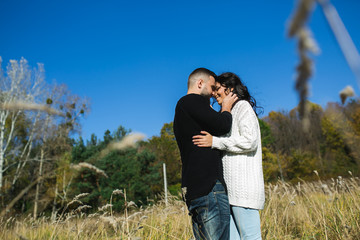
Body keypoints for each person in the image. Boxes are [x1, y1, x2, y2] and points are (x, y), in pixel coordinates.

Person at [192, 72, 265, 240]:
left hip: (244, 191)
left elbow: (250, 141)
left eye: (217, 89)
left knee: (250, 237)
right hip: (228, 193)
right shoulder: (229, 114)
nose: (214, 93)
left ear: (230, 89)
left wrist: (215, 142)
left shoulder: (243, 107)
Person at [173, 68, 238, 239]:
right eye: (212, 87)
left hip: (195, 188)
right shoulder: (191, 101)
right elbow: (223, 125)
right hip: (209, 187)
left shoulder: (184, 109)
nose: (213, 94)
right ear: (200, 83)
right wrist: (226, 107)